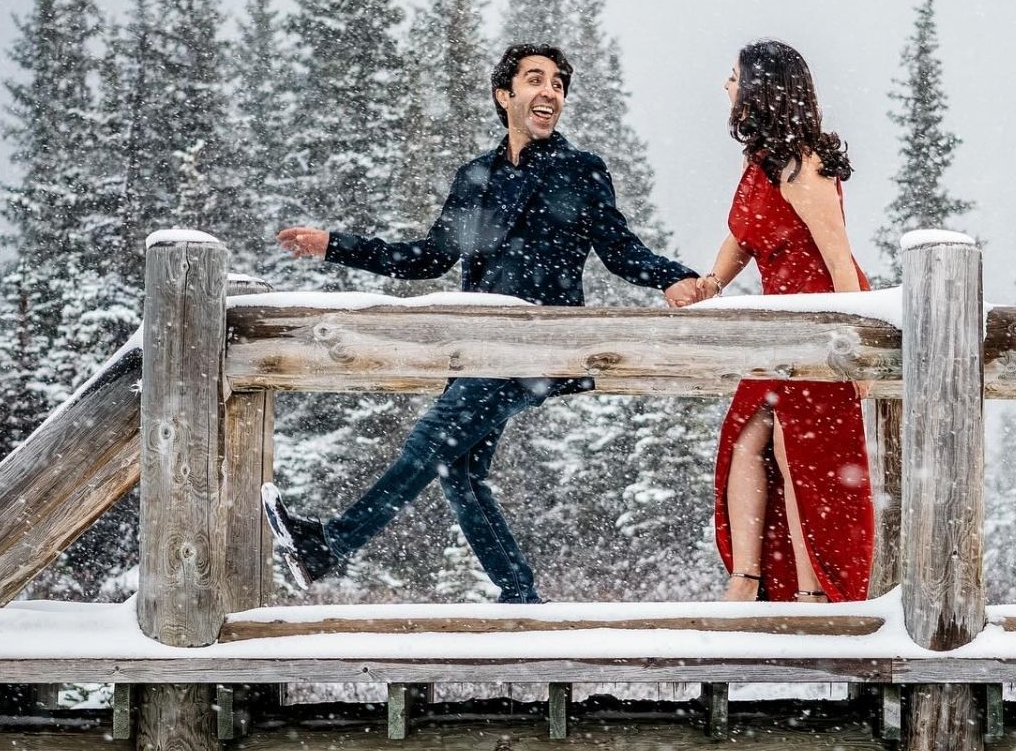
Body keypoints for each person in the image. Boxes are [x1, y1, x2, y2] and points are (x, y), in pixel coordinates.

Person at [262, 43, 700, 601]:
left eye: (559, 84)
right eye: (536, 80)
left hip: (540, 344)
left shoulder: (581, 169)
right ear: (505, 94)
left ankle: (330, 546)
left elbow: (618, 249)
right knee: (459, 471)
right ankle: (519, 593)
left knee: (433, 441)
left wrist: (671, 277)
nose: (550, 91)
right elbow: (427, 258)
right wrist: (334, 246)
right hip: (480, 345)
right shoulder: (475, 176)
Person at [695, 40, 875, 602]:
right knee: (746, 441)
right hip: (778, 327)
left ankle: (812, 590)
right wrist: (710, 285)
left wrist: (857, 351)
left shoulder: (806, 164)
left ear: (757, 89)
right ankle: (747, 578)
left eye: (733, 77)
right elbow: (741, 238)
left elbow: (839, 258)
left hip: (822, 321)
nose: (725, 86)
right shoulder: (760, 165)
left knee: (802, 454)